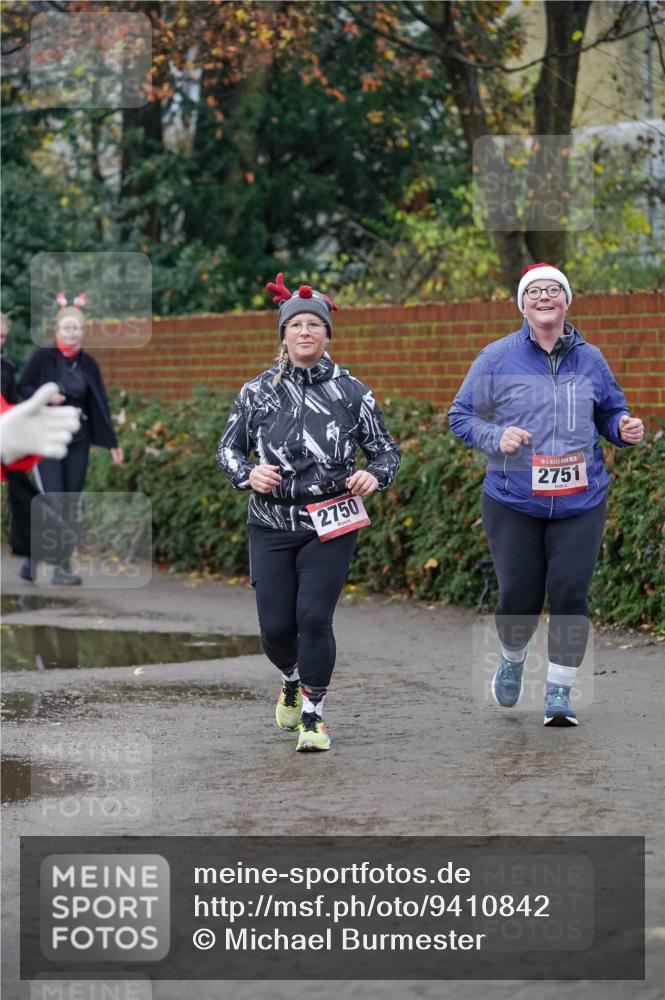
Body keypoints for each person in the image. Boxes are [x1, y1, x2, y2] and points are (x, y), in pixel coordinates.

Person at [448, 263, 644, 727]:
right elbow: (461, 416)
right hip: (513, 499)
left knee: (570, 592)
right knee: (519, 596)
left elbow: (610, 411)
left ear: (566, 302)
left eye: (553, 290)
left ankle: (559, 691)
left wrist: (621, 427)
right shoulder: (497, 358)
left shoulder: (590, 359)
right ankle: (512, 657)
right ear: (522, 305)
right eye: (533, 291)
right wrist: (495, 436)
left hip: (581, 499)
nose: (544, 297)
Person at [217, 273, 400, 751]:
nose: (305, 332)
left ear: (326, 335)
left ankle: (314, 715)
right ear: (283, 335)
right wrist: (248, 474)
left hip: (332, 519)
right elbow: (227, 450)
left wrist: (375, 476)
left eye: (314, 325)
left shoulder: (352, 392)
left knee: (315, 617)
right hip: (271, 521)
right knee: (277, 628)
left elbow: (386, 452)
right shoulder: (257, 392)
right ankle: (292, 679)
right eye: (295, 325)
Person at [18, 293, 123, 585]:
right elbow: (22, 388)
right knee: (53, 501)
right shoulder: (42, 357)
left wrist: (112, 443)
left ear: (83, 331)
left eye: (77, 328)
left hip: (77, 440)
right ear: (57, 330)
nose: (72, 333)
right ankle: (45, 560)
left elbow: (99, 403)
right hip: (45, 439)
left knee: (70, 502)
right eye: (67, 328)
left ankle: (51, 563)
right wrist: (46, 397)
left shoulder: (88, 364)